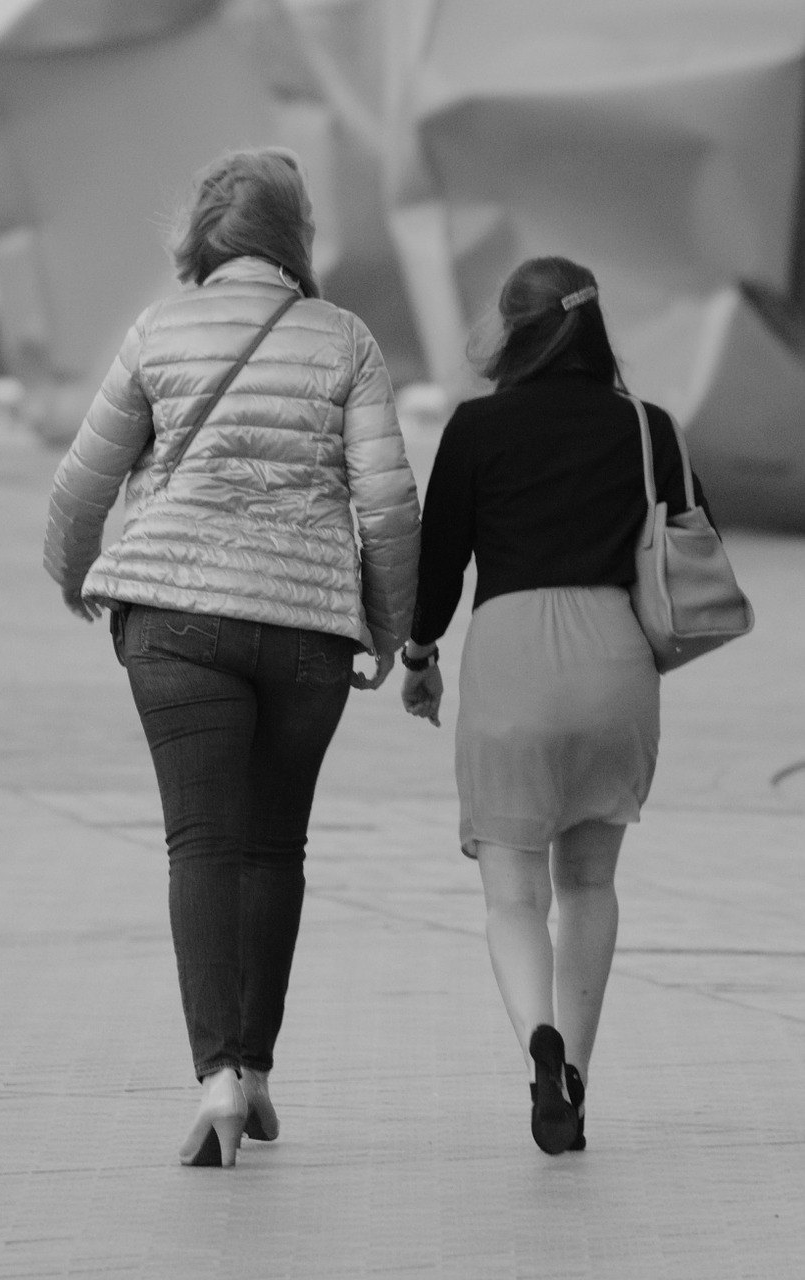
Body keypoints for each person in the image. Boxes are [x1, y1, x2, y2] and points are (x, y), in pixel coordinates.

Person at [44, 147, 421, 1167]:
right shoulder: (345, 338)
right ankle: (253, 1068)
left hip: (173, 619)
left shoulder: (159, 330)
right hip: (305, 626)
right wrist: (386, 628)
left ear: (205, 232)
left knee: (200, 841)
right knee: (273, 846)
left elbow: (84, 482)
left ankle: (212, 1073)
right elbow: (388, 502)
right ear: (293, 235)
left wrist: (72, 571)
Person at [400, 256, 714, 1155]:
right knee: (590, 884)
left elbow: (439, 565)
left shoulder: (476, 426)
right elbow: (695, 544)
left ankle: (538, 1046)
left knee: (512, 898)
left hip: (509, 661)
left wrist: (420, 657)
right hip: (618, 662)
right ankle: (576, 1072)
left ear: (510, 331)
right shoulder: (650, 428)